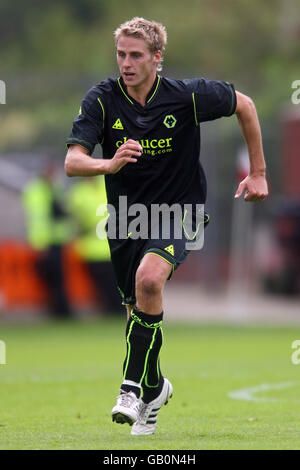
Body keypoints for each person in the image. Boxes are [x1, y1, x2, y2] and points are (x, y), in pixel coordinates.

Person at [64, 17, 268, 435]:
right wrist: (110, 162)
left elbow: (244, 105)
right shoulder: (101, 100)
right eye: (121, 54)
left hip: (181, 212)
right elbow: (73, 161)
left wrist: (259, 172)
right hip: (126, 220)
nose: (126, 63)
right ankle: (155, 389)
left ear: (157, 58)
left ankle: (130, 390)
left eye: (136, 55)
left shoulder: (186, 96)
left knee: (150, 279)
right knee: (137, 312)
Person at [22, 163, 74, 318]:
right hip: (45, 242)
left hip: (55, 241)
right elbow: (40, 220)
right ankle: (58, 311)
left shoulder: (52, 189)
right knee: (52, 279)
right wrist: (40, 244)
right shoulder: (39, 191)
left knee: (57, 279)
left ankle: (60, 311)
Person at [67, 176, 123, 314]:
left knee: (116, 282)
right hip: (91, 248)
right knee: (102, 283)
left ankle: (117, 309)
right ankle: (111, 309)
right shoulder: (78, 192)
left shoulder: (106, 183)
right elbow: (74, 219)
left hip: (112, 246)